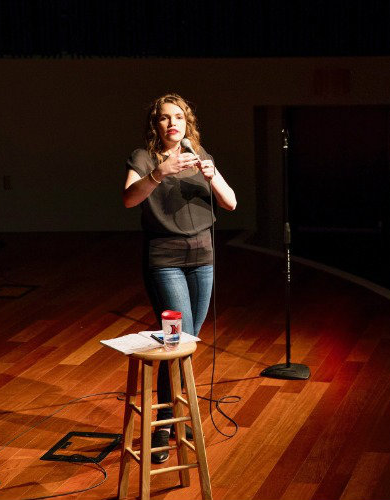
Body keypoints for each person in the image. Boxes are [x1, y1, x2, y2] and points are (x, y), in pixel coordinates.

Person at [123, 93, 236, 463]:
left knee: (184, 343)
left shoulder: (201, 156)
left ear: (188, 123)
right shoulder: (144, 158)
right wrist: (160, 174)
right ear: (155, 125)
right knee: (177, 342)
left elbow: (230, 203)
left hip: (203, 257)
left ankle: (171, 419)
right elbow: (128, 199)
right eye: (164, 118)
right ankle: (166, 425)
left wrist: (211, 175)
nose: (173, 123)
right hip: (166, 259)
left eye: (179, 117)